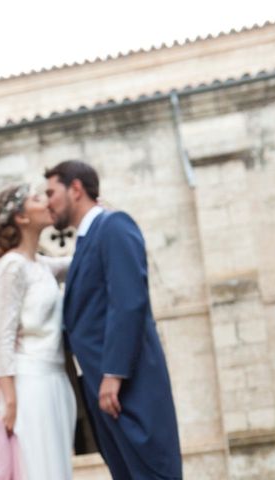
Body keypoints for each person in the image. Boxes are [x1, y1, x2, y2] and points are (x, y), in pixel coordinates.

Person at [45, 160, 183, 480]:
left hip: (130, 387)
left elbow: (129, 300)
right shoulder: (86, 241)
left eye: (52, 192)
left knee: (153, 471)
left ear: (76, 189)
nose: (49, 201)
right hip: (100, 391)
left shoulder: (114, 225)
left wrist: (114, 372)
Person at [0, 183, 76, 480]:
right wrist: (10, 400)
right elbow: (0, 336)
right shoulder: (11, 267)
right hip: (30, 387)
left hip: (57, 383)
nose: (47, 203)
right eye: (37, 199)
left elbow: (81, 262)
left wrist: (99, 215)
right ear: (22, 218)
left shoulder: (41, 266)